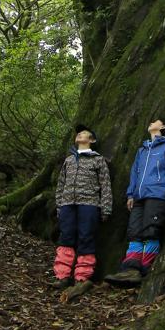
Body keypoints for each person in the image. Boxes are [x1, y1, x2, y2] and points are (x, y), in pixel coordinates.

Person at [105, 117, 165, 287]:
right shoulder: (142, 150)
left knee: (151, 230)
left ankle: (144, 268)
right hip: (139, 196)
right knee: (134, 231)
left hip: (159, 194)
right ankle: (129, 269)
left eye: (155, 121)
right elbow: (135, 173)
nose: (150, 122)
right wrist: (130, 195)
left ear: (163, 126)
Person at [52, 123, 112, 299]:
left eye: (84, 133)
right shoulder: (69, 160)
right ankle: (62, 276)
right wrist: (59, 205)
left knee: (86, 236)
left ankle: (82, 277)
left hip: (90, 204)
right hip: (68, 203)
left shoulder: (97, 160)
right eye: (78, 134)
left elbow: (105, 185)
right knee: (66, 237)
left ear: (92, 140)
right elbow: (61, 183)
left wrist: (106, 208)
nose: (80, 135)